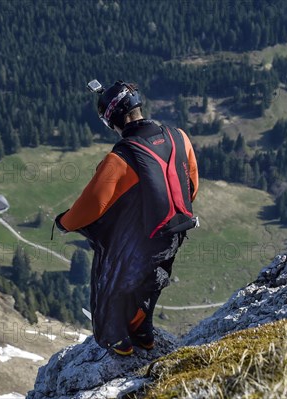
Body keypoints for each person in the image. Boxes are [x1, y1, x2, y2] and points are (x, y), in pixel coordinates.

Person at [54, 80, 199, 355]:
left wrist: (64, 222)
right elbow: (192, 181)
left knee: (114, 286)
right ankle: (143, 335)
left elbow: (93, 204)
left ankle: (117, 342)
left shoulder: (121, 156)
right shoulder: (179, 136)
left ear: (112, 120)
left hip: (144, 239)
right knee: (151, 283)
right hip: (176, 229)